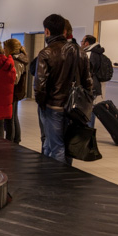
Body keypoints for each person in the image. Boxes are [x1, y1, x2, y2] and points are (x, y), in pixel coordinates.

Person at [34, 14, 93, 164]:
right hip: (73, 107)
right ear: (64, 30)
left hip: (53, 106)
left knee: (56, 146)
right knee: (65, 145)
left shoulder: (46, 53)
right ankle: (59, 176)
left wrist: (42, 104)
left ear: (47, 31)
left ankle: (58, 182)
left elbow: (40, 85)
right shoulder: (80, 52)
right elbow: (88, 81)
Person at [81, 35, 110, 127]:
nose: (81, 43)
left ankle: (87, 133)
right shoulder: (99, 54)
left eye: (82, 41)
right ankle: (89, 131)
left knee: (87, 109)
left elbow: (86, 72)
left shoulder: (89, 54)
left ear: (86, 43)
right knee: (91, 108)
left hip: (89, 86)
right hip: (96, 86)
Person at [3, 38, 29, 143]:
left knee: (10, 118)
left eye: (5, 48)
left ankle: (12, 139)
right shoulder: (19, 59)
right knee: (13, 117)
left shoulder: (16, 61)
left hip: (13, 91)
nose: (3, 50)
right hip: (15, 92)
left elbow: (14, 79)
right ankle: (15, 138)